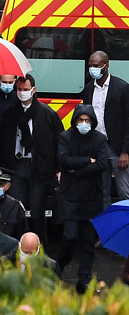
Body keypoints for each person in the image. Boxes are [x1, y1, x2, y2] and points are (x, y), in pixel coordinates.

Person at [0, 74, 64, 244]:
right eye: (19, 90)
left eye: (26, 90)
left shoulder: (47, 114)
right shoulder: (10, 111)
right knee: (15, 207)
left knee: (37, 211)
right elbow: (2, 140)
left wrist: (59, 168)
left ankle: (39, 244)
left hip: (39, 168)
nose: (22, 93)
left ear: (34, 90)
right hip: (16, 167)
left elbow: (58, 142)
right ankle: (16, 243)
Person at [56, 104, 108, 294]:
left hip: (91, 197)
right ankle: (58, 266)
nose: (84, 124)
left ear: (92, 122)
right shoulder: (65, 137)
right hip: (70, 196)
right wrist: (88, 160)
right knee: (69, 236)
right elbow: (64, 160)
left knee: (88, 241)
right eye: (80, 120)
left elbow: (102, 164)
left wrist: (76, 171)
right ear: (75, 121)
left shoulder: (100, 139)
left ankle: (84, 278)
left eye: (87, 121)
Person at [82, 51, 129, 207]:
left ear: (106, 66)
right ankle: (105, 228)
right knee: (102, 191)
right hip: (98, 147)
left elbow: (128, 120)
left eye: (96, 66)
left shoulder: (121, 87)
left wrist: (125, 151)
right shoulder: (89, 89)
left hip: (117, 148)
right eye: (90, 66)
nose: (92, 69)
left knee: (124, 191)